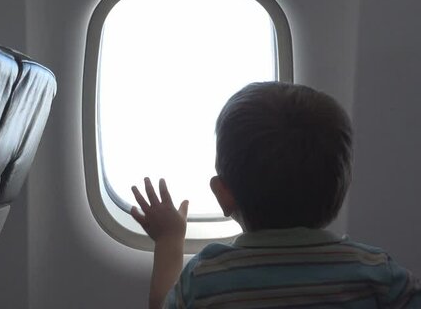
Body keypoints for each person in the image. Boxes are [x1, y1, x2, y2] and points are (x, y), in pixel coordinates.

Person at [131, 82, 421, 308]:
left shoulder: (207, 278)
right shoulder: (374, 272)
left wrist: (169, 239)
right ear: (342, 185)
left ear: (223, 194)